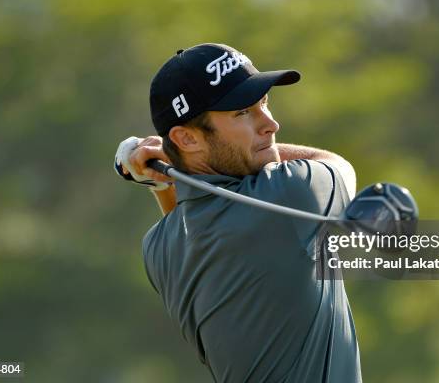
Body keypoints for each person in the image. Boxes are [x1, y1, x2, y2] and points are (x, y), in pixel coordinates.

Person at [116, 43, 362, 382]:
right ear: (186, 139)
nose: (271, 124)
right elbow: (340, 167)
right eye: (242, 113)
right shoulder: (289, 197)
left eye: (263, 103)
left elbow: (188, 217)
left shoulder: (157, 248)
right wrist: (167, 163)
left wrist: (166, 171)